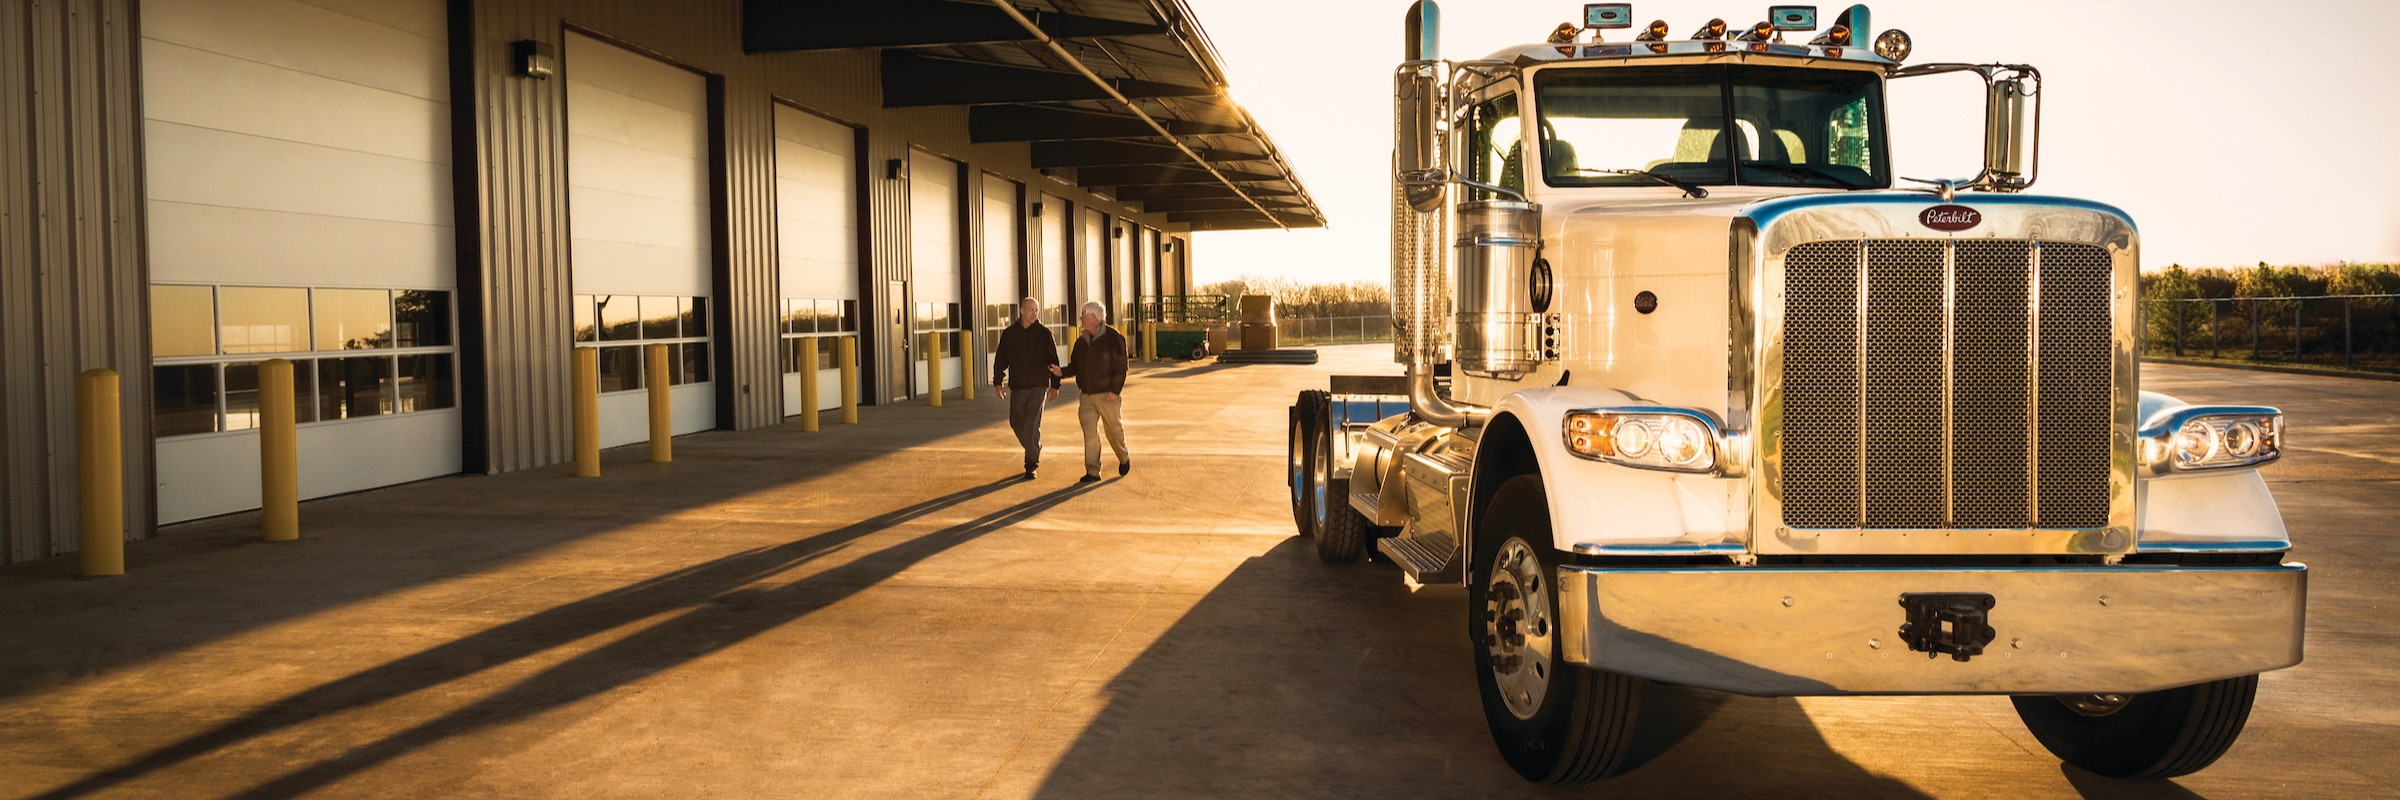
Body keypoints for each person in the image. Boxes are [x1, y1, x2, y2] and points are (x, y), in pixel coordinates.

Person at [1051, 301, 1130, 483]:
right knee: (1090, 433)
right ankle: (1093, 471)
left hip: (1107, 395)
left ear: (1093, 318)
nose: (1080, 318)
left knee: (1114, 431)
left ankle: (1124, 457)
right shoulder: (1081, 342)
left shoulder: (1114, 338)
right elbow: (1075, 367)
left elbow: (1121, 368)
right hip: (1086, 395)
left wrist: (1114, 390)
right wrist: (1061, 372)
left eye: (1083, 315)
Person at [991, 297, 1059, 480]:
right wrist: (998, 382)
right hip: (1018, 387)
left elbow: (1053, 362)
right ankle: (1033, 446)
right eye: (1030, 310)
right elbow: (1000, 360)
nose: (1034, 313)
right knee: (1016, 422)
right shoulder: (1010, 334)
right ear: (1021, 311)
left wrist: (1055, 386)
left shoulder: (1044, 334)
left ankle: (1031, 464)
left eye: (1036, 310)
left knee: (1032, 423)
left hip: (1038, 386)